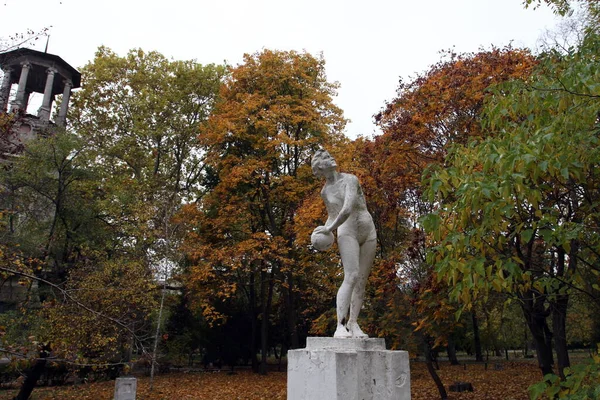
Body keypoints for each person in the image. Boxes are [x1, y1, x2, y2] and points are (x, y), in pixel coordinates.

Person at [311, 149, 377, 338]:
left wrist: (329, 227)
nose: (331, 158)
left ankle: (353, 323)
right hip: (347, 230)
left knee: (362, 280)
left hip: (367, 229)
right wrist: (322, 231)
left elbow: (348, 207)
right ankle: (340, 326)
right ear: (319, 168)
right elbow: (333, 215)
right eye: (324, 158)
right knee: (351, 275)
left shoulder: (350, 180)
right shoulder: (325, 191)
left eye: (330, 155)